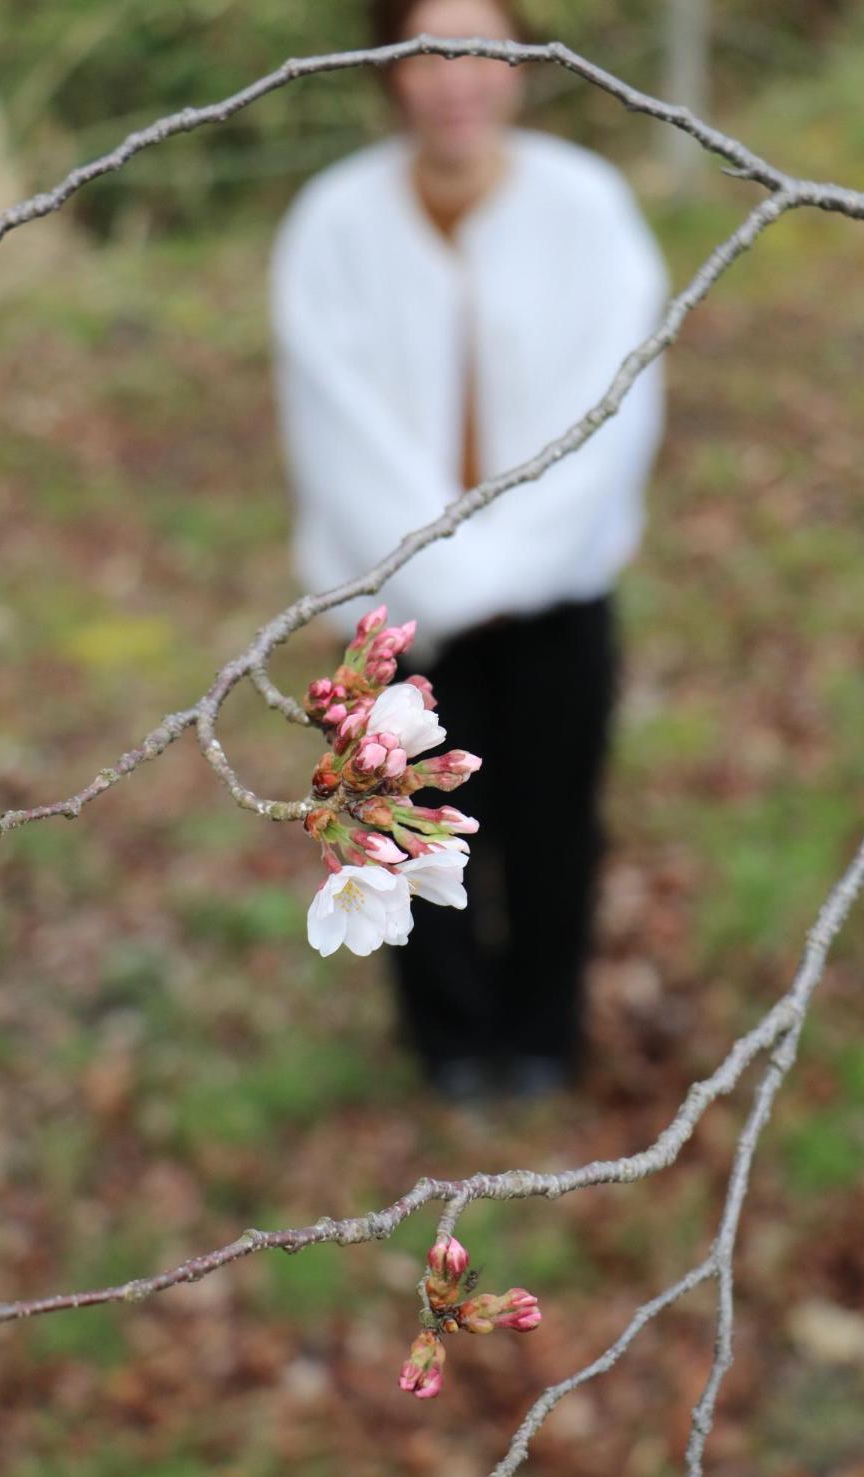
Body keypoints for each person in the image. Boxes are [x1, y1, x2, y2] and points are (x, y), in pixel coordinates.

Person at [269, 0, 669, 1099]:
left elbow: (612, 413)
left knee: (553, 823)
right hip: (392, 607)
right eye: (427, 52)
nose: (455, 77)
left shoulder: (588, 208)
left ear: (521, 60)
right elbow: (336, 429)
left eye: (480, 49)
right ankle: (447, 1041)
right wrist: (439, 579)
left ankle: (541, 1035)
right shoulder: (332, 224)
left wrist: (506, 568)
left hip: (558, 592)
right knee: (400, 834)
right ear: (388, 67)